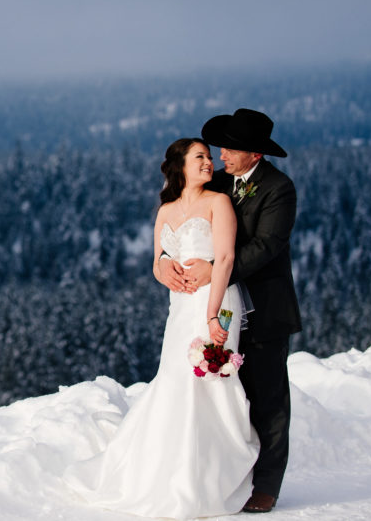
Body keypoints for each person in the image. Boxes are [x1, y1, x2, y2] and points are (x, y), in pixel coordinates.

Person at [67, 138, 259, 519]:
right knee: (175, 379)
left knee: (208, 380)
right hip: (181, 305)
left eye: (208, 157)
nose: (208, 162)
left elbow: (224, 258)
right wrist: (162, 270)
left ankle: (207, 478)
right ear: (180, 167)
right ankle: (164, 471)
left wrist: (210, 313)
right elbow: (158, 260)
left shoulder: (217, 203)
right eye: (200, 157)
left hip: (215, 301)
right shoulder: (166, 210)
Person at [158, 109, 302, 514]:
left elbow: (266, 246)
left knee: (267, 397)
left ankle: (266, 486)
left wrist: (213, 270)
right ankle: (217, 478)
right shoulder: (218, 183)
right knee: (216, 395)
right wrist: (165, 259)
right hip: (214, 306)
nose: (221, 155)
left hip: (264, 308)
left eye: (231, 149)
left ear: (255, 155)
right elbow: (188, 214)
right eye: (220, 147)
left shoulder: (279, 189)